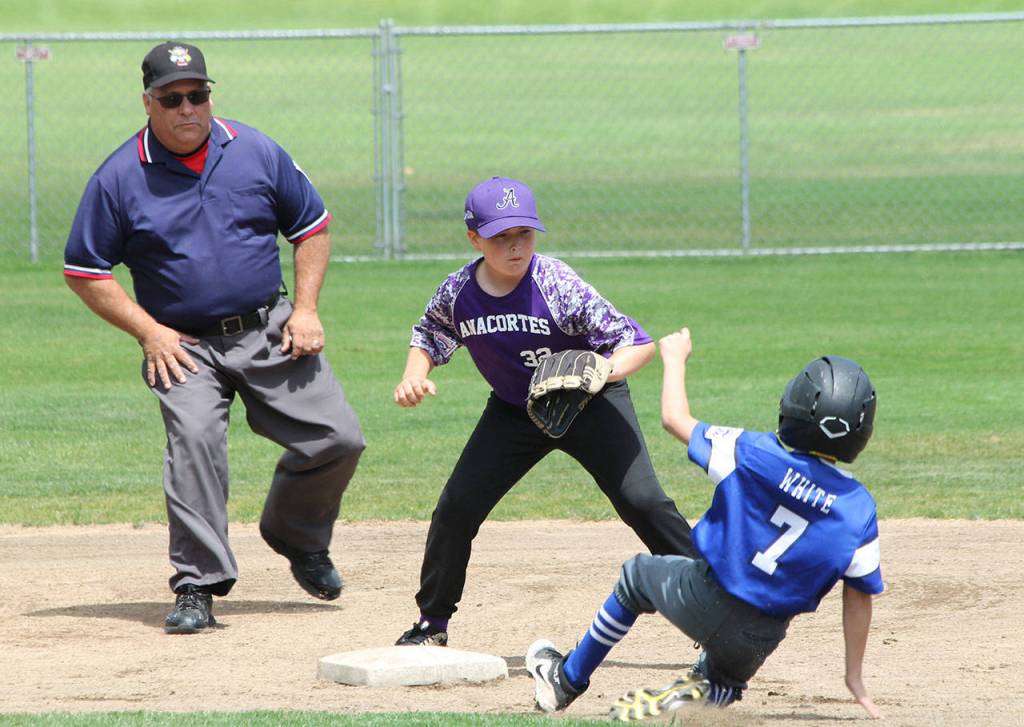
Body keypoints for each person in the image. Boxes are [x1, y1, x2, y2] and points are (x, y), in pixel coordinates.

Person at [63, 41, 365, 634]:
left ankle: (295, 536)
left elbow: (312, 226)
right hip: (183, 345)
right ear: (148, 102)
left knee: (339, 438)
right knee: (195, 443)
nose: (187, 108)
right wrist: (149, 332)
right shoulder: (120, 177)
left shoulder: (253, 150)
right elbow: (84, 270)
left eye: (198, 94)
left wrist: (305, 308)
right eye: (172, 98)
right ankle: (198, 585)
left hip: (268, 327)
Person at [391, 176, 696, 647]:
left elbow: (637, 343)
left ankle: (713, 609)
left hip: (591, 405)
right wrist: (415, 373)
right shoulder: (458, 293)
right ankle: (432, 623)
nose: (515, 248)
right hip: (516, 412)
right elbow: (430, 333)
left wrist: (603, 371)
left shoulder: (556, 284)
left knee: (644, 503)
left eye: (524, 235)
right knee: (456, 508)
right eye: (501, 238)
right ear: (474, 239)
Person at [527, 327, 883, 721]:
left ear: (795, 405)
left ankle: (566, 679)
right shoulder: (859, 507)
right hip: (761, 637)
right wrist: (854, 675)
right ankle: (686, 699)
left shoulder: (752, 452)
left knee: (637, 576)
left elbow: (673, 418)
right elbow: (859, 596)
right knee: (725, 680)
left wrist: (675, 358)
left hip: (703, 596)